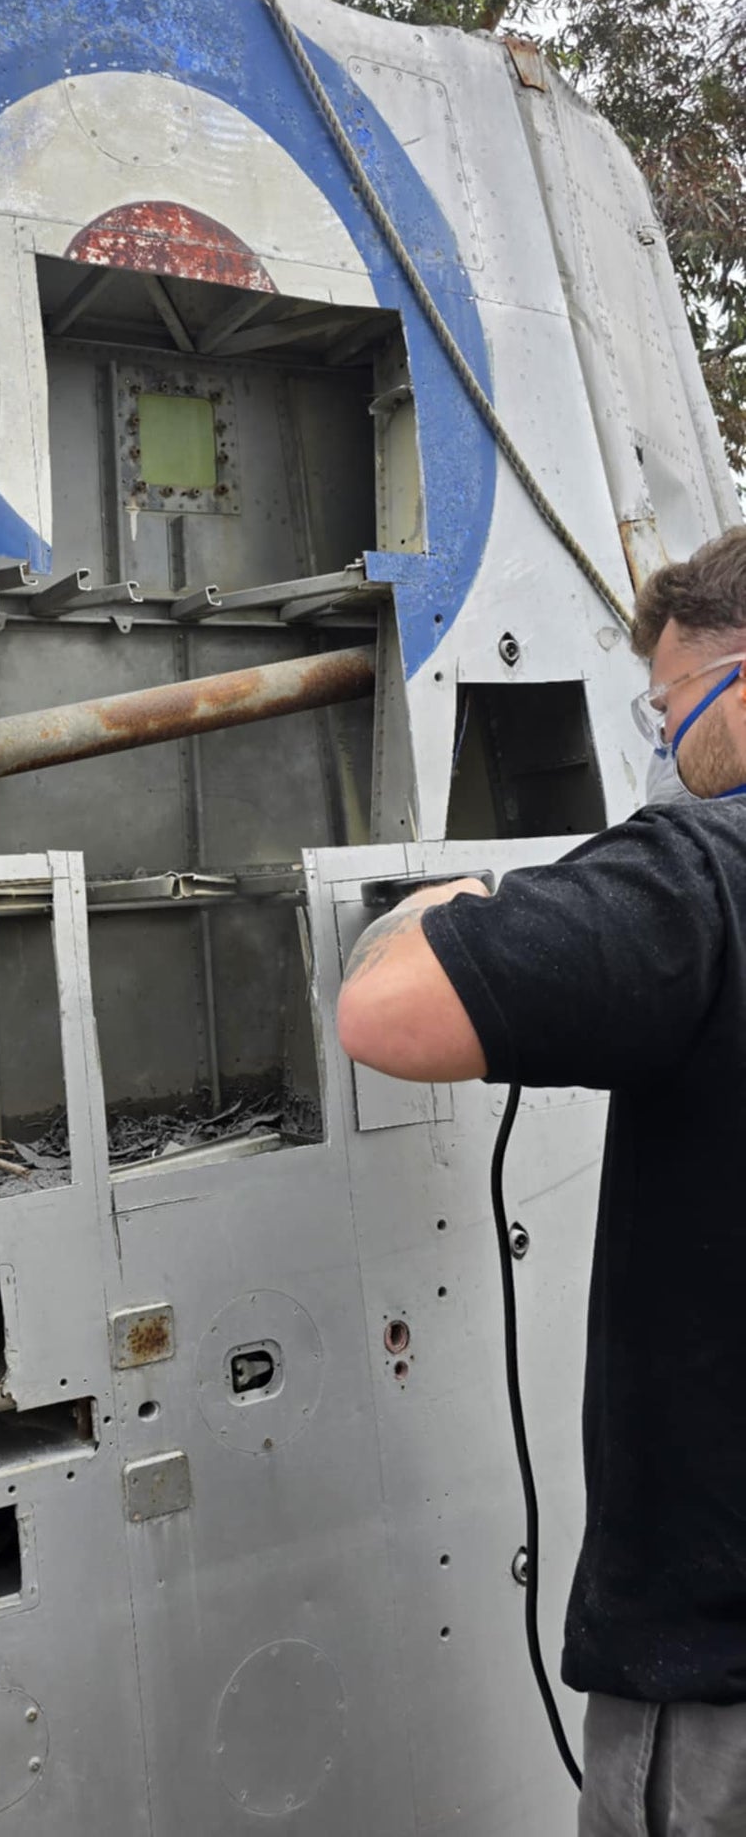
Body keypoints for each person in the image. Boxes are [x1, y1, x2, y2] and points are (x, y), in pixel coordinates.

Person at [336, 524, 746, 1837]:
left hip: (720, 1651)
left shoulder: (700, 880)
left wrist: (439, 899)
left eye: (673, 704)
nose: (665, 739)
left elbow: (390, 1015)